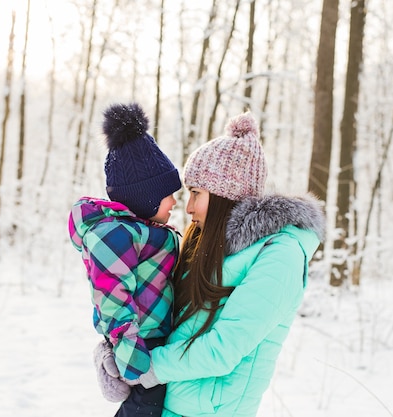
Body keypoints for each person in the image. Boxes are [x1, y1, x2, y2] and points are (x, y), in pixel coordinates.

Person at [97, 110, 325, 416]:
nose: (188, 207)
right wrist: (115, 351)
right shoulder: (205, 243)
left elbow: (222, 349)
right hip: (159, 404)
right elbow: (161, 315)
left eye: (196, 193)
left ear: (223, 195)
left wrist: (144, 368)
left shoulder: (280, 255)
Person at [68, 102, 182, 416]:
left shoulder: (144, 232)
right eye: (168, 193)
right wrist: (133, 358)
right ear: (145, 196)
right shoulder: (114, 236)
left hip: (155, 342)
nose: (174, 201)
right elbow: (111, 299)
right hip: (143, 347)